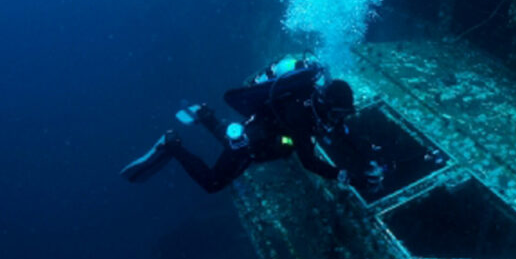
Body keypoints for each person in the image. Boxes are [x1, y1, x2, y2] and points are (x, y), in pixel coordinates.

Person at [120, 56, 376, 194]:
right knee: (213, 183)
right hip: (253, 143)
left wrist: (368, 155)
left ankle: (207, 115)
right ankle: (172, 144)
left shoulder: (313, 103)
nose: (338, 120)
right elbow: (309, 162)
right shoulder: (302, 115)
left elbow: (341, 132)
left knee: (232, 141)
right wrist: (347, 177)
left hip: (260, 130)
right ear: (327, 105)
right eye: (337, 114)